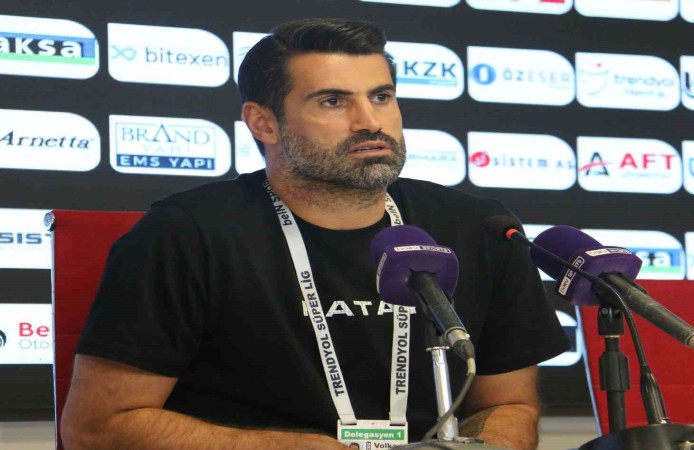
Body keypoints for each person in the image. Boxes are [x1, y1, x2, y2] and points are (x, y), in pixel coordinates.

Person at [61, 18, 569, 450]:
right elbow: (96, 427)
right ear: (264, 123)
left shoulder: (477, 228)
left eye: (381, 97)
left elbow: (509, 405)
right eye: (332, 101)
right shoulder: (184, 234)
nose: (369, 122)